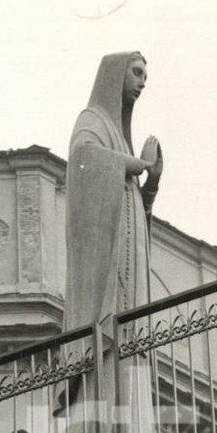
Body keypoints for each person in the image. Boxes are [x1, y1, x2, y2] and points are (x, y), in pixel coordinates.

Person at [64, 51, 163, 338]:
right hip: (109, 256)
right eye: (136, 72)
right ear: (115, 75)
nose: (142, 82)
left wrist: (151, 183)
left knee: (136, 333)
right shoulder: (92, 119)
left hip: (131, 258)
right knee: (117, 332)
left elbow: (133, 210)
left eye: (145, 76)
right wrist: (139, 164)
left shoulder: (122, 140)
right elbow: (84, 156)